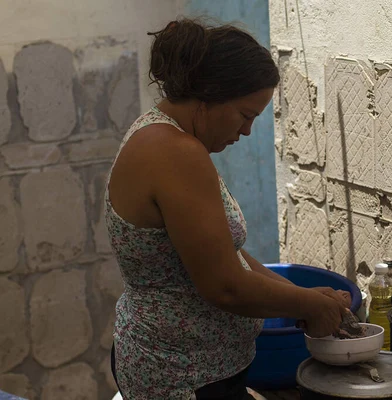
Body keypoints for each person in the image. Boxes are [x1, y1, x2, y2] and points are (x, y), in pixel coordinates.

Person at [105, 18, 350, 400]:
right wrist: (308, 304)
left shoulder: (167, 136)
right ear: (210, 96)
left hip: (198, 365)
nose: (248, 131)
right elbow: (224, 287)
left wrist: (300, 296)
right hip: (181, 375)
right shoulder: (175, 152)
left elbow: (225, 254)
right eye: (245, 114)